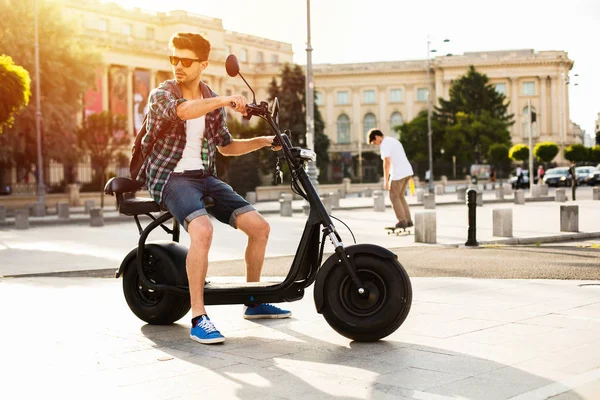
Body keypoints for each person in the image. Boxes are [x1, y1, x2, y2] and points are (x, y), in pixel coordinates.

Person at [136, 32, 290, 345]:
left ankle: (253, 300)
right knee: (203, 231)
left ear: (203, 64)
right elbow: (183, 111)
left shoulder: (209, 96)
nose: (178, 65)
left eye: (186, 60)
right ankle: (198, 316)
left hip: (203, 176)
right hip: (169, 177)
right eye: (173, 58)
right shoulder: (162, 93)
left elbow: (226, 147)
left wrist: (264, 141)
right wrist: (223, 100)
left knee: (259, 228)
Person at [369, 129, 414, 229]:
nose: (376, 144)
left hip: (398, 174)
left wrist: (386, 180)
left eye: (374, 142)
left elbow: (387, 162)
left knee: (393, 196)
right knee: (400, 196)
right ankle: (408, 220)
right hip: (407, 172)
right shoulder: (393, 140)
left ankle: (402, 221)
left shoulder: (384, 144)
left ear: (376, 137)